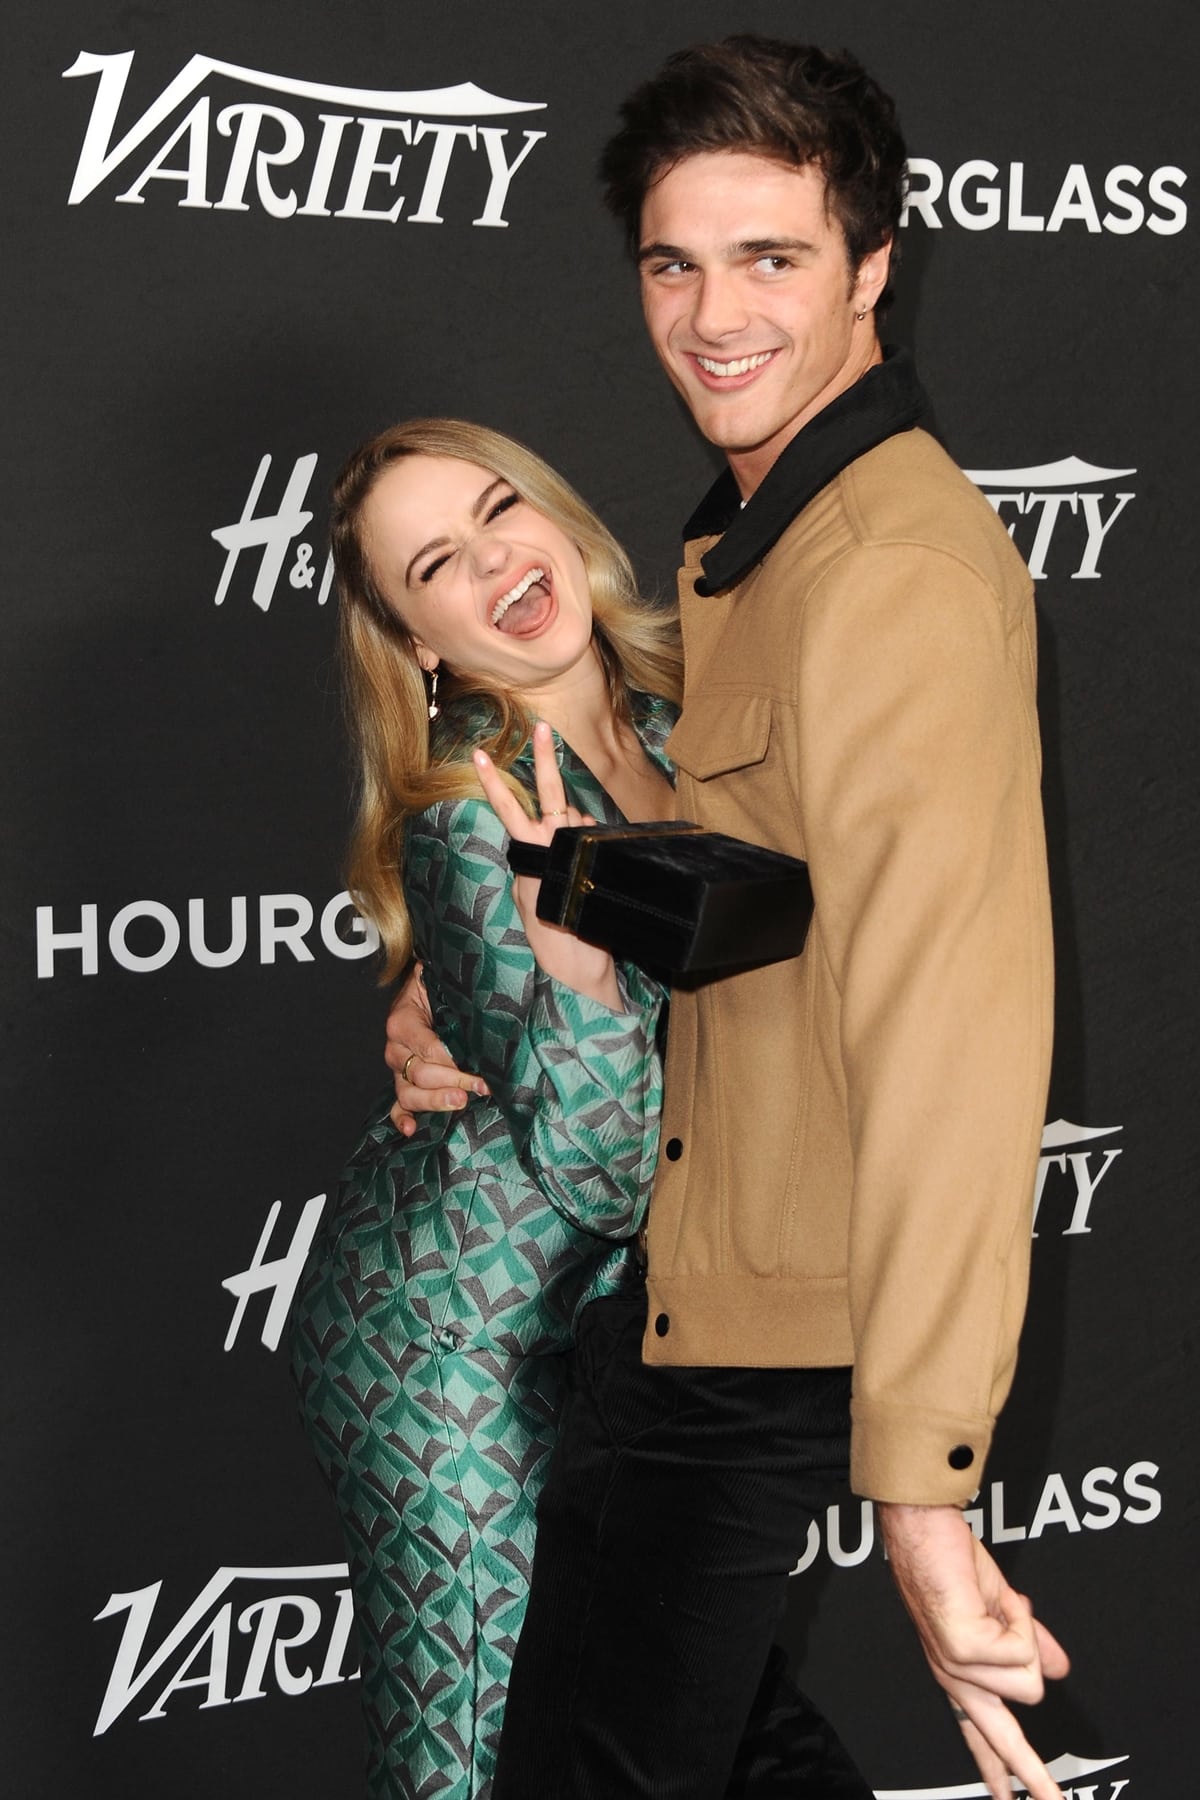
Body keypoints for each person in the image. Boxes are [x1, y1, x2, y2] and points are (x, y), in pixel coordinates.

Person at [384, 35, 1069, 1800]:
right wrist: (454, 995)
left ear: (873, 266)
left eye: (771, 257)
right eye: (674, 265)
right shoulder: (748, 547)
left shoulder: (888, 568)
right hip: (688, 1303)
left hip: (770, 1329)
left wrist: (920, 1499)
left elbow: (950, 1033)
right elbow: (736, 899)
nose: (712, 315)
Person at [288, 417, 680, 1798]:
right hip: (442, 1355)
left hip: (601, 1339)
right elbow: (607, 1166)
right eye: (437, 565)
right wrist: (574, 974)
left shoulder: (688, 734)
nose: (499, 558)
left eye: (503, 509)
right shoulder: (470, 814)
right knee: (475, 1756)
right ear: (422, 649)